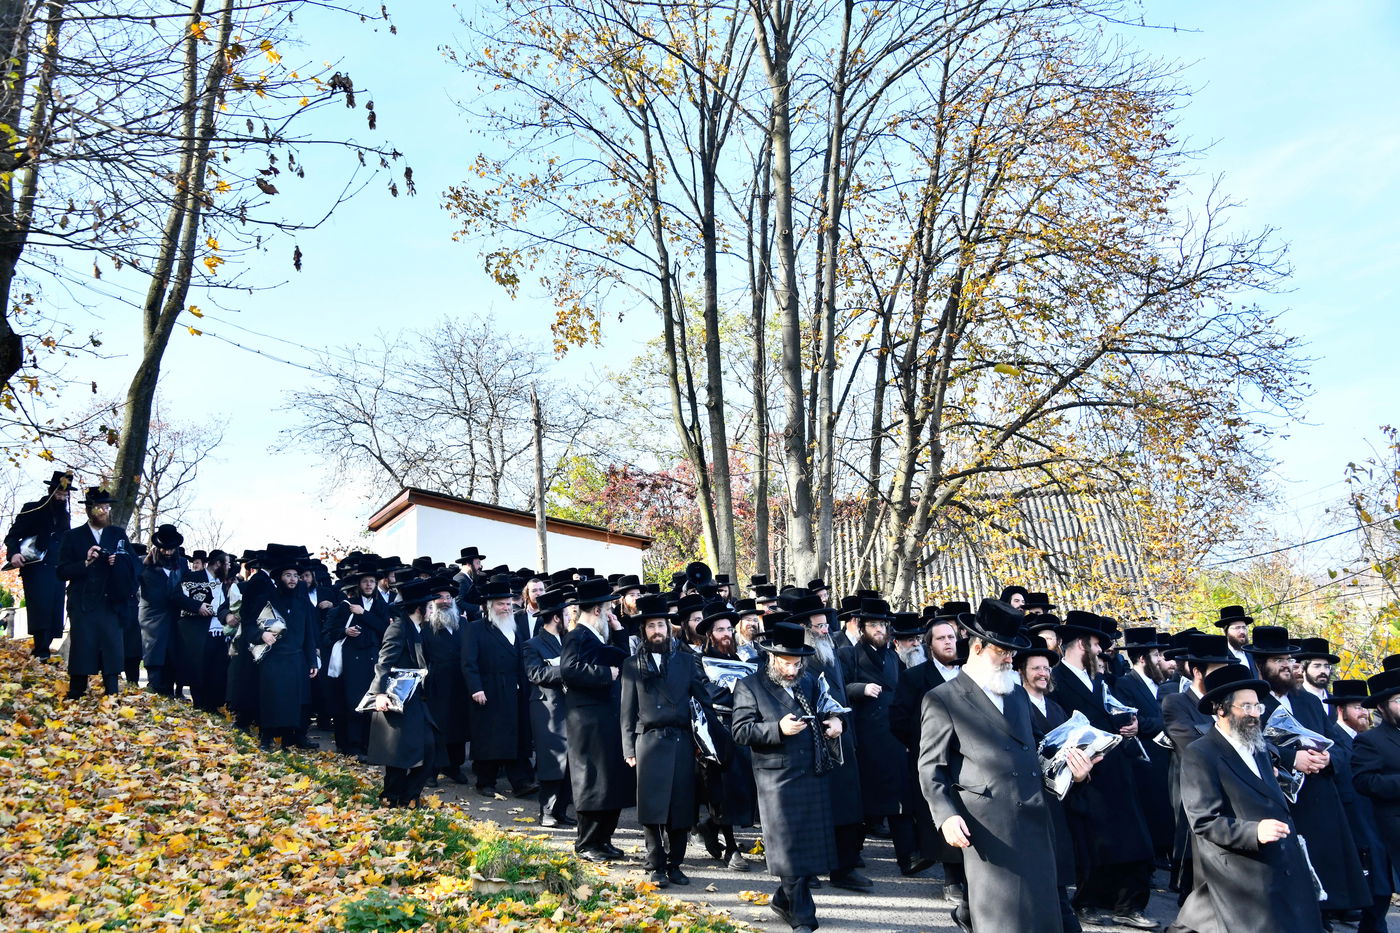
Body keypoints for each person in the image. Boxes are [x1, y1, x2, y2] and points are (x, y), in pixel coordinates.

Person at [919, 597, 1068, 933]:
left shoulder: (1016, 694)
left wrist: (1073, 764)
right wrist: (946, 816)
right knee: (1004, 919)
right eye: (1002, 650)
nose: (1010, 658)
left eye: (1012, 651)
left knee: (1043, 916)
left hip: (1035, 816)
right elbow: (930, 767)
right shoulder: (943, 698)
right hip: (988, 825)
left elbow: (1034, 750)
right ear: (978, 646)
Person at [1166, 664, 1324, 933]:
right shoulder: (1201, 753)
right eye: (1246, 707)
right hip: (1240, 874)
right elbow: (1203, 821)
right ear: (1221, 709)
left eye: (1257, 707)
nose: (1254, 715)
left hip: (1282, 866)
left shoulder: (1259, 747)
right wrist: (1255, 831)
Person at [1246, 625, 1371, 920]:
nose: (1288, 666)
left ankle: (1326, 911)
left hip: (1320, 794)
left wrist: (1327, 760)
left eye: (1290, 660)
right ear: (1261, 665)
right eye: (1279, 661)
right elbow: (1248, 745)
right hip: (1282, 797)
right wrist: (1293, 758)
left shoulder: (1310, 701)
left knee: (1326, 859)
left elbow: (1340, 747)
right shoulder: (1253, 701)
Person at [732, 622, 844, 933]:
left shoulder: (808, 682)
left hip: (813, 772)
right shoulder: (749, 686)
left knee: (809, 848)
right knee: (790, 848)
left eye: (796, 663)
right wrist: (777, 729)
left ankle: (783, 899)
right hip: (776, 779)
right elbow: (740, 731)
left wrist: (835, 723)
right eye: (786, 663)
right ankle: (804, 918)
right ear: (771, 658)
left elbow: (826, 711)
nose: (792, 670)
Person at [1051, 611, 1157, 930]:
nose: (1100, 651)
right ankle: (1088, 901)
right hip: (1085, 772)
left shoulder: (1100, 679)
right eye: (1096, 644)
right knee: (1095, 842)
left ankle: (1129, 904)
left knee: (1135, 838)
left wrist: (1126, 724)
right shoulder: (1056, 679)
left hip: (1117, 766)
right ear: (1081, 643)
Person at [621, 607, 717, 887]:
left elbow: (704, 703)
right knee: (651, 808)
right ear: (644, 631)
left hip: (681, 742)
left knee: (681, 807)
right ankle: (656, 864)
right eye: (651, 626)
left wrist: (705, 741)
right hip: (648, 742)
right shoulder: (632, 665)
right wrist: (629, 749)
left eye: (661, 625)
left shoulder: (687, 662)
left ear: (669, 628)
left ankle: (676, 863)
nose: (657, 631)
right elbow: (626, 712)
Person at [794, 591, 869, 891]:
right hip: (814, 740)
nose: (826, 630)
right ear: (804, 628)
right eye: (818, 626)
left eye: (826, 624)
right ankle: (809, 867)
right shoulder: (797, 659)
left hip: (842, 737)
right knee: (814, 808)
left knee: (848, 804)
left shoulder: (830, 650)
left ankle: (844, 868)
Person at [840, 601, 918, 877]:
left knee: (899, 798)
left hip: (892, 736)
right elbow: (839, 689)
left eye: (883, 625)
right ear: (861, 628)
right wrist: (861, 689)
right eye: (873, 625)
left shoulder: (893, 658)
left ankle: (907, 857)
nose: (879, 630)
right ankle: (850, 856)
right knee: (863, 800)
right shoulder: (848, 654)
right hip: (863, 736)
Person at [560, 577, 633, 861]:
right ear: (599, 610)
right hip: (587, 722)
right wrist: (606, 675)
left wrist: (619, 632)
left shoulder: (597, 635)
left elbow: (623, 659)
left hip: (606, 719)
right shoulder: (577, 635)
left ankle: (603, 839)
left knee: (609, 781)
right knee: (592, 782)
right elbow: (569, 669)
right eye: (608, 608)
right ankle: (586, 843)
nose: (612, 613)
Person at [1160, 633, 1233, 902]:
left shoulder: (1231, 702)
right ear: (1196, 670)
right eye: (1216, 670)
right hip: (1195, 793)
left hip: (1231, 796)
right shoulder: (1176, 703)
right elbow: (1192, 746)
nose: (1223, 676)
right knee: (1194, 886)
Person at [1323, 679, 1392, 933]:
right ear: (1341, 710)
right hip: (1348, 822)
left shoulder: (1372, 737)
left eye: (1366, 708)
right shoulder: (1332, 737)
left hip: (1375, 822)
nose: (1364, 713)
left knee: (1378, 894)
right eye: (1357, 707)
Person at [55, 488, 136, 699]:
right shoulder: (72, 536)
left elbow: (134, 564)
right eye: (100, 507)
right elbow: (62, 571)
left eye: (107, 507)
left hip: (111, 600)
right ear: (89, 509)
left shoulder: (117, 534)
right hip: (83, 601)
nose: (105, 512)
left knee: (111, 644)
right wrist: (86, 561)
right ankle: (77, 690)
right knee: (83, 644)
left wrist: (117, 561)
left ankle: (112, 692)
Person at [367, 577, 439, 808]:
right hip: (396, 697)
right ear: (420, 608)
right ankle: (393, 797)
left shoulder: (418, 628)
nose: (432, 610)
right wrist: (379, 693)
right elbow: (384, 662)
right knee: (399, 753)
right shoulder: (398, 628)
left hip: (415, 698)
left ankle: (408, 795)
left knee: (428, 748)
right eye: (429, 606)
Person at [462, 575, 536, 798]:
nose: (506, 608)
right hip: (489, 689)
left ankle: (521, 781)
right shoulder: (475, 629)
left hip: (515, 690)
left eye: (508, 603)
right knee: (490, 737)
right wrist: (476, 688)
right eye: (501, 604)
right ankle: (486, 781)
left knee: (517, 734)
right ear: (489, 607)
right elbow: (468, 662)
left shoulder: (515, 628)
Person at [1111, 627, 1176, 859]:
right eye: (1156, 655)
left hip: (1171, 757)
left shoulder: (1166, 684)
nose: (1161, 660)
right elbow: (1133, 722)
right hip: (1148, 761)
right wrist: (1159, 724)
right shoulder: (1125, 684)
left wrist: (1152, 724)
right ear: (1142, 658)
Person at [251, 547, 319, 750]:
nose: (292, 579)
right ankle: (267, 738)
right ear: (279, 577)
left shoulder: (302, 601)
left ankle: (293, 739)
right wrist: (261, 635)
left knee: (298, 701)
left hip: (297, 658)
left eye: (296, 576)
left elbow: (309, 632)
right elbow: (249, 624)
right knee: (272, 699)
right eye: (288, 575)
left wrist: (312, 660)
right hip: (273, 657)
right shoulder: (267, 598)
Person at [4, 470, 72, 660]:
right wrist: (14, 553)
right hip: (36, 567)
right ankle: (40, 651)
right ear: (51, 491)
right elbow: (12, 536)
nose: (61, 497)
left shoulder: (65, 517)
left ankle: (44, 651)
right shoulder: (33, 509)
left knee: (54, 613)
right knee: (40, 610)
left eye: (64, 495)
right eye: (58, 493)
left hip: (57, 569)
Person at [326, 561, 389, 757]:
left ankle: (369, 744)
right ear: (359, 585)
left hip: (373, 659)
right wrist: (345, 631)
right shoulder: (347, 605)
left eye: (372, 581)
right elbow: (330, 631)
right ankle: (353, 745)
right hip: (352, 659)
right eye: (365, 582)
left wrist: (364, 614)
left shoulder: (381, 605)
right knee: (353, 701)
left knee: (371, 702)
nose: (369, 585)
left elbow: (384, 629)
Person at [523, 588, 574, 827]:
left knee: (570, 762)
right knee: (552, 760)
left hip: (570, 707)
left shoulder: (568, 641)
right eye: (566, 615)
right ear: (556, 618)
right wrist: (566, 669)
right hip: (547, 709)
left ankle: (562, 810)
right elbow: (536, 673)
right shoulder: (532, 644)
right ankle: (547, 812)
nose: (569, 619)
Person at [137, 524, 207, 697]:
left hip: (175, 613)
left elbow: (186, 588)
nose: (167, 552)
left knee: (172, 654)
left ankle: (169, 691)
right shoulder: (143, 563)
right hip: (153, 615)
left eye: (171, 549)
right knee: (154, 652)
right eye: (164, 549)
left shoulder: (182, 563)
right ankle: (154, 686)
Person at [1354, 668, 1400, 926]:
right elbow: (1364, 781)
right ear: (1382, 707)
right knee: (1379, 906)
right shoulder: (1371, 741)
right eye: (1399, 700)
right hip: (1390, 832)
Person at [420, 576, 470, 786]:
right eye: (440, 598)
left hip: (460, 682)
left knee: (458, 726)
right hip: (436, 683)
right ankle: (432, 769)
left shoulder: (464, 623)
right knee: (437, 727)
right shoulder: (425, 627)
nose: (446, 601)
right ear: (433, 602)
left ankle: (454, 766)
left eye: (449, 597)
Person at [1214, 605, 1257, 673]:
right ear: (1225, 630)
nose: (1242, 631)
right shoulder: (1220, 657)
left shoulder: (1252, 654)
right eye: (1237, 628)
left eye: (1244, 627)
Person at [1295, 637, 1336, 703]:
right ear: (1303, 668)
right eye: (1317, 666)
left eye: (1326, 666)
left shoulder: (1335, 703)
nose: (1323, 671)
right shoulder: (1293, 700)